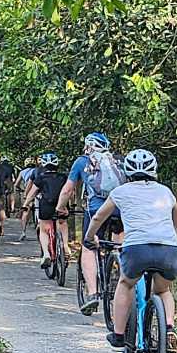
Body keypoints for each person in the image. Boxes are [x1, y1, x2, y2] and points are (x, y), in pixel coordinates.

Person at [85, 149, 177, 348]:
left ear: (127, 172)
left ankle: (118, 334)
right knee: (163, 290)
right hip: (168, 249)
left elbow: (98, 217)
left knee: (125, 284)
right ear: (154, 170)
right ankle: (168, 328)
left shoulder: (120, 192)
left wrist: (90, 238)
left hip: (136, 250)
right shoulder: (165, 192)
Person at [58, 132, 126, 313]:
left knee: (89, 246)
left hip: (96, 210)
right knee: (119, 243)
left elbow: (68, 189)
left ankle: (93, 293)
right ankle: (120, 273)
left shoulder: (82, 162)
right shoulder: (118, 161)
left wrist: (60, 208)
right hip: (120, 209)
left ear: (88, 146)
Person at [23, 153, 69, 272]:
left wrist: (25, 204)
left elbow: (32, 193)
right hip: (61, 205)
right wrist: (70, 204)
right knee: (62, 223)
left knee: (43, 230)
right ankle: (65, 246)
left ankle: (46, 255)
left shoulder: (41, 177)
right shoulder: (63, 177)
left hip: (46, 206)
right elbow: (69, 192)